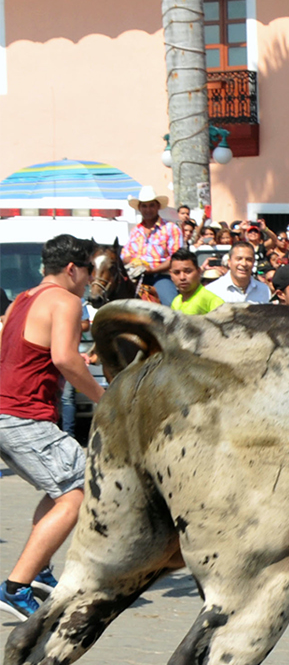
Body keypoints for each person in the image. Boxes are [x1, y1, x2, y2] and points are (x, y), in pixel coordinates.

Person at [0, 235, 106, 620]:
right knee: (78, 495)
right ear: (73, 269)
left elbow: (26, 351)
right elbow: (63, 359)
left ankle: (40, 570)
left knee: (65, 484)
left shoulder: (22, 299)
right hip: (23, 416)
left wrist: (76, 356)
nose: (91, 279)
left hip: (10, 412)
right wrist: (102, 398)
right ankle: (16, 587)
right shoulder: (66, 300)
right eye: (90, 270)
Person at [120, 186, 184, 305]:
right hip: (135, 276)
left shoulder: (170, 228)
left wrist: (152, 270)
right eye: (144, 206)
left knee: (172, 305)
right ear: (139, 208)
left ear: (158, 206)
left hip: (160, 277)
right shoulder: (135, 231)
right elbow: (124, 255)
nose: (147, 209)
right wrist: (136, 262)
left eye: (151, 205)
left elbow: (176, 257)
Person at [205, 242, 271, 304]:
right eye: (239, 259)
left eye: (248, 259)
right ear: (229, 262)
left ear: (254, 263)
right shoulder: (212, 291)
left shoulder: (264, 290)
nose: (244, 263)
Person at [168, 249, 225, 315]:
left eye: (188, 271)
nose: (182, 277)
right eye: (177, 273)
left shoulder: (212, 300)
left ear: (199, 271)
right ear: (171, 275)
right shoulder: (176, 301)